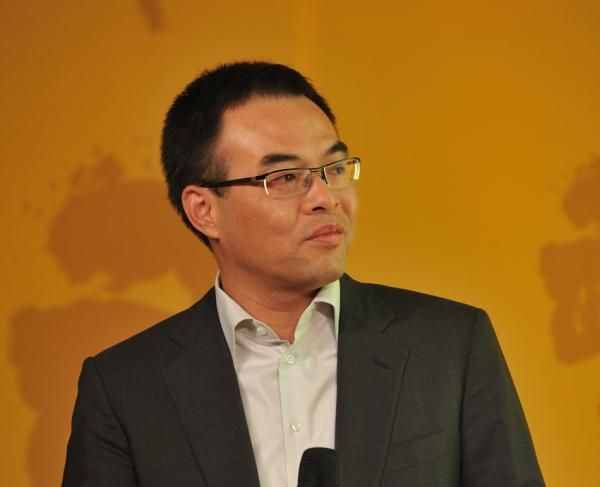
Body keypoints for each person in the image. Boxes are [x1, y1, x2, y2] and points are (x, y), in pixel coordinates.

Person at [62, 61, 545, 487]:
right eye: (286, 178)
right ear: (204, 210)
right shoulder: (126, 388)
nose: (325, 198)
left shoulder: (449, 346)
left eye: (334, 168)